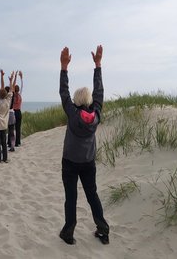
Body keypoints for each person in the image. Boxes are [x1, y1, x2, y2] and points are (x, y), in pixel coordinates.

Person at [59, 45, 110, 245]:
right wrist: (98, 65)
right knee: (92, 196)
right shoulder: (96, 113)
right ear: (89, 101)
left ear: (76, 101)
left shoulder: (72, 113)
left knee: (71, 198)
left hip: (70, 162)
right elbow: (99, 92)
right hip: (88, 163)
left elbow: (63, 92)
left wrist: (64, 67)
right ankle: (103, 230)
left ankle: (68, 233)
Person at [0, 69, 14, 163]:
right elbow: (10, 90)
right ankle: (5, 158)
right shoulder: (8, 101)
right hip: (4, 126)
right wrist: (10, 80)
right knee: (4, 143)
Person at [13, 70, 23, 147]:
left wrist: (15, 76)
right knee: (18, 128)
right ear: (18, 90)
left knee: (12, 129)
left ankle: (13, 143)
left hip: (14, 113)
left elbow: (12, 86)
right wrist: (21, 77)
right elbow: (22, 86)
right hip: (19, 113)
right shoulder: (19, 95)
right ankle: (18, 142)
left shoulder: (13, 96)